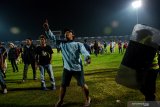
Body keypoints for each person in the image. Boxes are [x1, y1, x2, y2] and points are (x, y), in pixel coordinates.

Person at [43, 20, 91, 107]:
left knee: (83, 85)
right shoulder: (62, 44)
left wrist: (87, 58)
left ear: (73, 35)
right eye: (65, 33)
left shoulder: (78, 44)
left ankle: (87, 99)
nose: (66, 34)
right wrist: (47, 29)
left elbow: (85, 52)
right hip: (67, 68)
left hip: (77, 68)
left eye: (68, 32)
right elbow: (52, 38)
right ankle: (60, 100)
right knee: (63, 85)